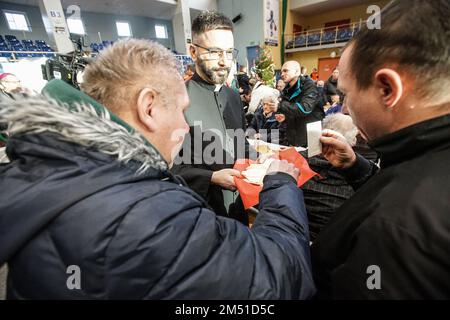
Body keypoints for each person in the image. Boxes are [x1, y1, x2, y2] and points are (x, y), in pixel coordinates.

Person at [0, 39, 316, 299]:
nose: (183, 126)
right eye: (180, 112)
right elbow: (277, 281)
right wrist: (280, 184)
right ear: (148, 107)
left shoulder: (49, 169)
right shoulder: (149, 215)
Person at [312, 0, 450, 299]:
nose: (345, 107)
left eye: (347, 94)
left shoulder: (393, 230)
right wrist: (358, 169)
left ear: (387, 89)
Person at [171, 12, 248, 223]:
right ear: (193, 52)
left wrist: (258, 161)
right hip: (201, 211)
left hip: (238, 205)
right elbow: (170, 168)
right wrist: (211, 178)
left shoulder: (232, 96)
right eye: (215, 52)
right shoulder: (176, 100)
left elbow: (241, 143)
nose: (225, 62)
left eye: (230, 52)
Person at [301, 113, 358, 242]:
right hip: (329, 243)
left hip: (293, 235)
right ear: (353, 141)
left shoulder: (296, 160)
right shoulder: (360, 178)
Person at [279, 60, 325, 147]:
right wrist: (284, 117)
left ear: (296, 71)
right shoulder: (287, 89)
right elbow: (290, 109)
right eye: (281, 71)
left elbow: (305, 109)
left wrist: (279, 105)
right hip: (294, 135)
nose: (282, 74)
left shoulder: (310, 86)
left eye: (285, 71)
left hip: (309, 137)